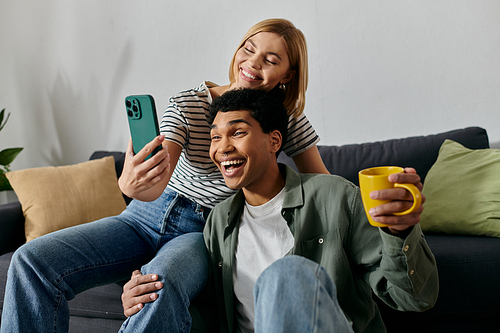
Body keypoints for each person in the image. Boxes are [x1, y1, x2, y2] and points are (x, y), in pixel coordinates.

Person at [0, 19, 330, 333]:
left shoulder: (285, 120)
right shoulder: (190, 103)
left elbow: (324, 184)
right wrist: (131, 183)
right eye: (248, 48)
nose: (253, 63)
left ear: (288, 73)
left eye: (270, 59)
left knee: (157, 283)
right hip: (141, 218)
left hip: (201, 233)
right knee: (31, 261)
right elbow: (159, 172)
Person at [124, 88, 438, 332]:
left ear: (274, 141)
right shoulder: (219, 220)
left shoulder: (337, 196)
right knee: (156, 295)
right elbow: (210, 316)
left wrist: (400, 233)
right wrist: (146, 300)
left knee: (285, 275)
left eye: (238, 132)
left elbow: (413, 298)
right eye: (215, 137)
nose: (222, 148)